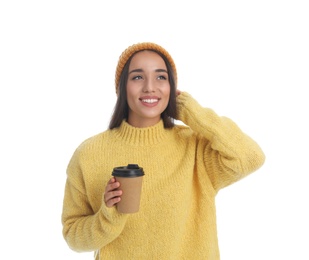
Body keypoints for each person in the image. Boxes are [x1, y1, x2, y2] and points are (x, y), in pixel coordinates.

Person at [61, 42, 265, 259]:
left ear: (172, 87)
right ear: (121, 87)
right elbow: (73, 235)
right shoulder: (89, 154)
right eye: (137, 77)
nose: (150, 87)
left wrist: (189, 109)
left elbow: (250, 157)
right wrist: (107, 215)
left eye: (161, 77)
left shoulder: (194, 148)